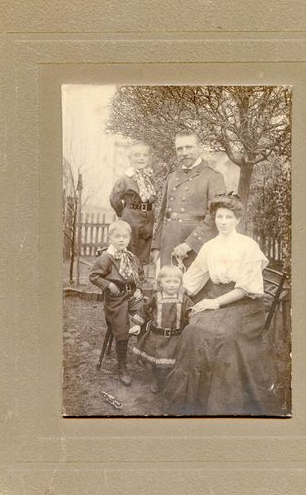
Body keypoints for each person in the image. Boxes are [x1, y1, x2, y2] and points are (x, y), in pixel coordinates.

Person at [162, 193, 278, 415]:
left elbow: (245, 289)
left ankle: (223, 404)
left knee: (224, 336)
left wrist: (213, 303)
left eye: (228, 217)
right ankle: (194, 400)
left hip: (246, 305)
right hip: (217, 299)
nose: (223, 222)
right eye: (219, 217)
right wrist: (172, 290)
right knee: (193, 330)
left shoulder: (248, 246)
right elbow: (193, 278)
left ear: (237, 219)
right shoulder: (210, 246)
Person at [151, 129, 225, 268]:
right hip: (169, 242)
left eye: (189, 147)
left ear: (199, 148)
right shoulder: (172, 177)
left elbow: (214, 215)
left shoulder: (213, 176)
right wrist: (156, 246)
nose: (184, 152)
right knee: (168, 281)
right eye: (180, 149)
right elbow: (162, 214)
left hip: (197, 244)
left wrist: (190, 243)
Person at [89, 220, 145, 386]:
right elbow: (93, 276)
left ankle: (143, 353)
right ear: (110, 238)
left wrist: (138, 288)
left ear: (129, 238)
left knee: (146, 315)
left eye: (125, 237)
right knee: (122, 327)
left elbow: (140, 275)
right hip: (115, 299)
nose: (121, 240)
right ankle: (122, 366)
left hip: (131, 295)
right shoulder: (106, 258)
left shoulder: (131, 257)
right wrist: (108, 285)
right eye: (117, 236)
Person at [131, 266, 194, 393]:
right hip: (157, 336)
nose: (172, 285)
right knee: (157, 360)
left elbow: (190, 311)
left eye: (176, 282)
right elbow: (144, 310)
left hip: (175, 337)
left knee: (172, 359)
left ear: (180, 283)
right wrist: (137, 324)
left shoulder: (184, 299)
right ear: (160, 283)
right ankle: (157, 380)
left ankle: (171, 381)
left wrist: (191, 315)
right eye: (168, 281)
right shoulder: (156, 297)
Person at [109, 141, 156, 265]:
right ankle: (127, 275)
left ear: (149, 158)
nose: (141, 158)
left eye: (145, 155)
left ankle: (140, 274)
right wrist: (123, 213)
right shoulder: (125, 178)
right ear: (130, 158)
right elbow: (114, 198)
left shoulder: (149, 178)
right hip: (131, 217)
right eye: (137, 155)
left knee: (143, 252)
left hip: (148, 218)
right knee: (129, 251)